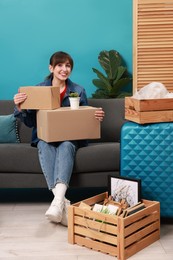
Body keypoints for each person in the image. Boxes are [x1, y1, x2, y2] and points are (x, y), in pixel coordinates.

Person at [13, 51, 105, 225]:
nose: (64, 69)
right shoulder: (39, 90)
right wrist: (20, 109)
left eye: (68, 65)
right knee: (45, 145)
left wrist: (95, 116)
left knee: (67, 145)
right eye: (60, 65)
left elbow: (84, 118)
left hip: (69, 137)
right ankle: (62, 203)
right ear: (51, 68)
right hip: (45, 138)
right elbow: (32, 122)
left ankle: (57, 203)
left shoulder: (78, 90)